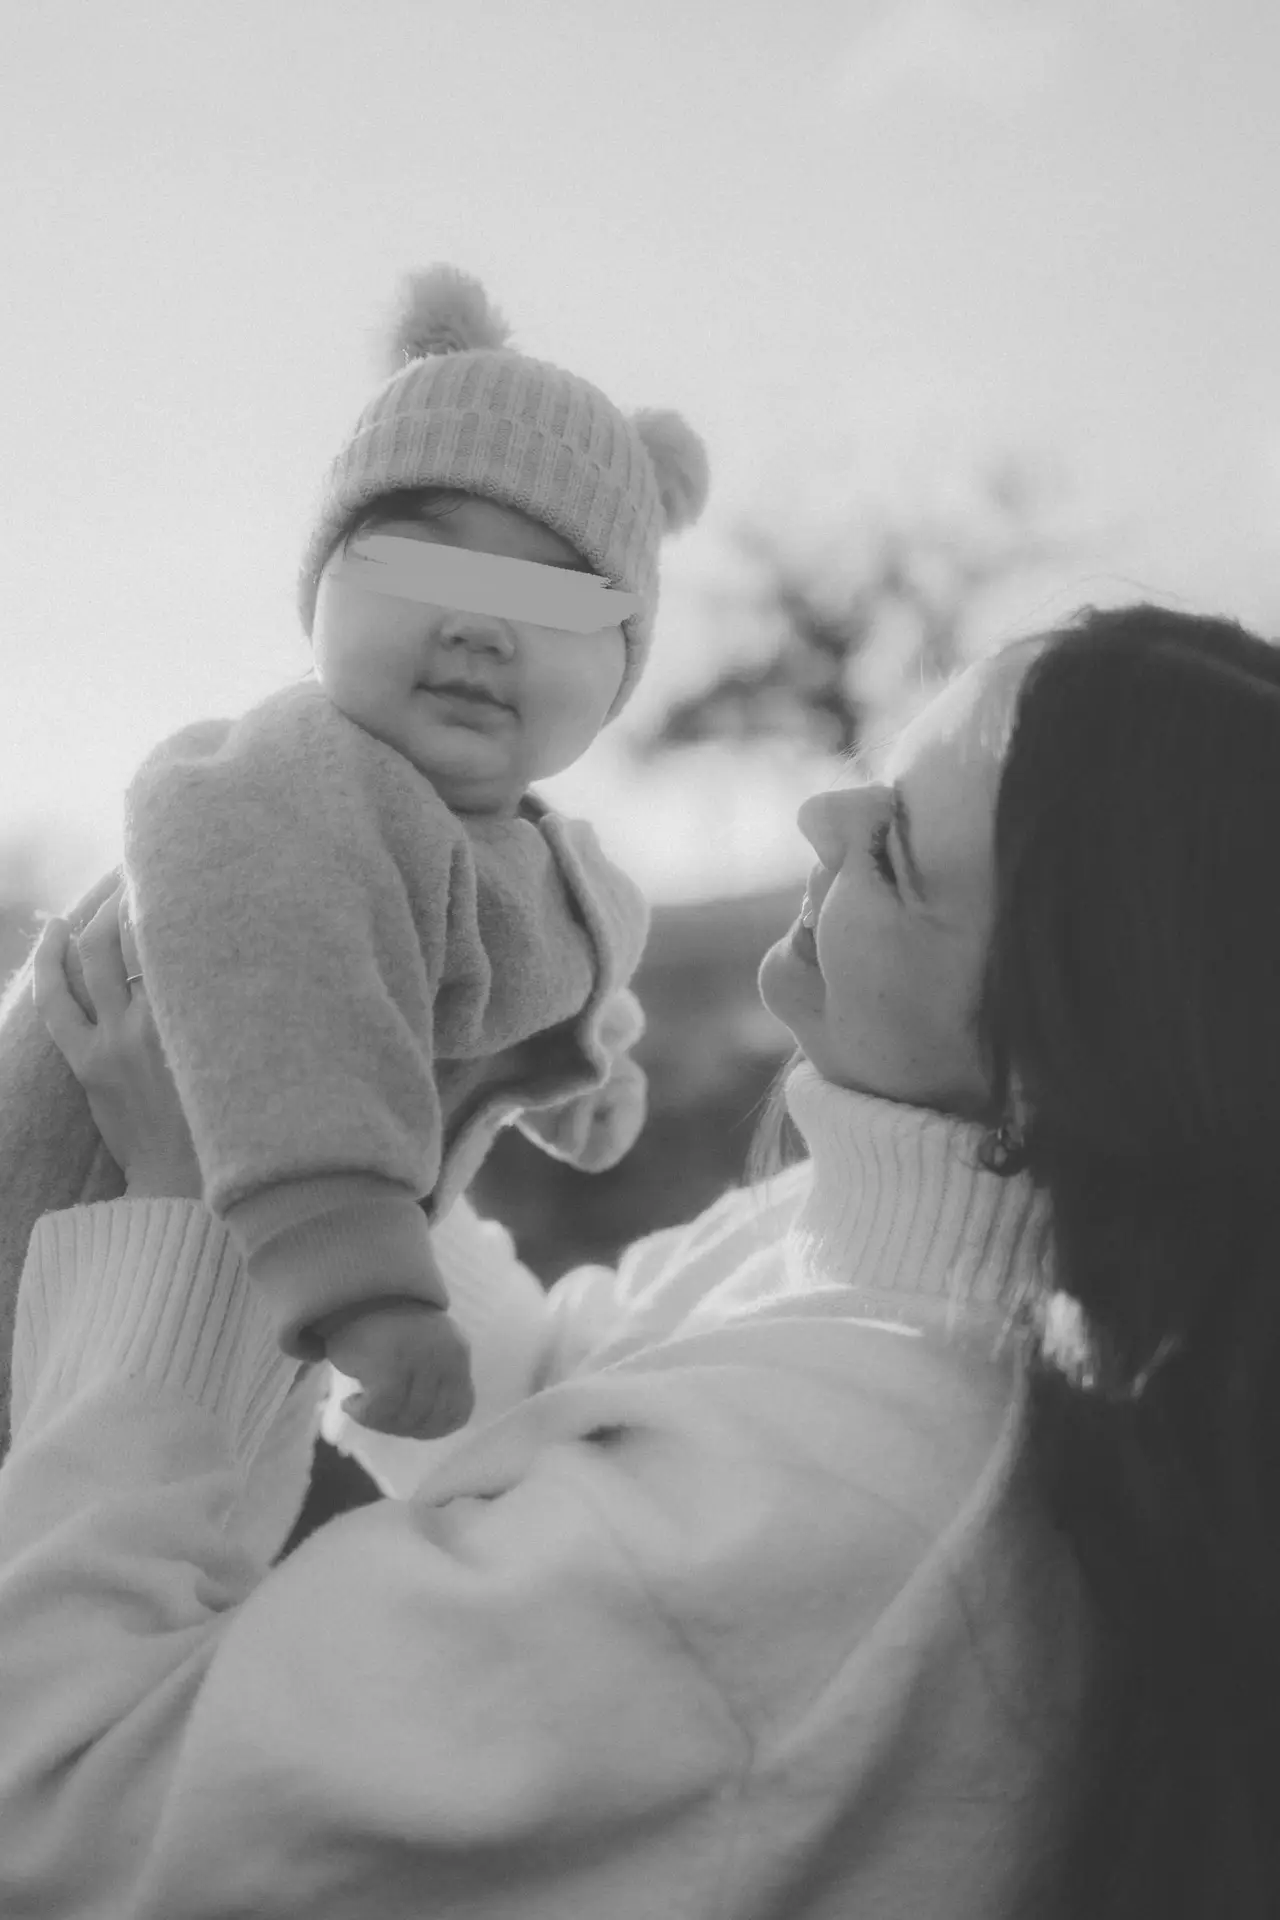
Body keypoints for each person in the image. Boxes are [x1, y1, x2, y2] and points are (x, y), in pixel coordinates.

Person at [1, 603, 1277, 1920]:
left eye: (891, 849)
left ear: (1052, 1060)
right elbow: (562, 1390)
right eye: (877, 779)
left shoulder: (810, 1529)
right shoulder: (874, 1276)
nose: (817, 824)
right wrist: (332, 1154)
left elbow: (74, 1813)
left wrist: (201, 1197)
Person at [0, 262, 710, 1443]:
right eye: (418, 564)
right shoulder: (283, 785)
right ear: (321, 592)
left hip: (151, 1314)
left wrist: (588, 1064)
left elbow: (509, 964)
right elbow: (295, 1013)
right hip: (41, 1247)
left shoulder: (520, 852)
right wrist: (370, 1291)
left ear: (618, 671)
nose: (479, 623)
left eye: (554, 601)